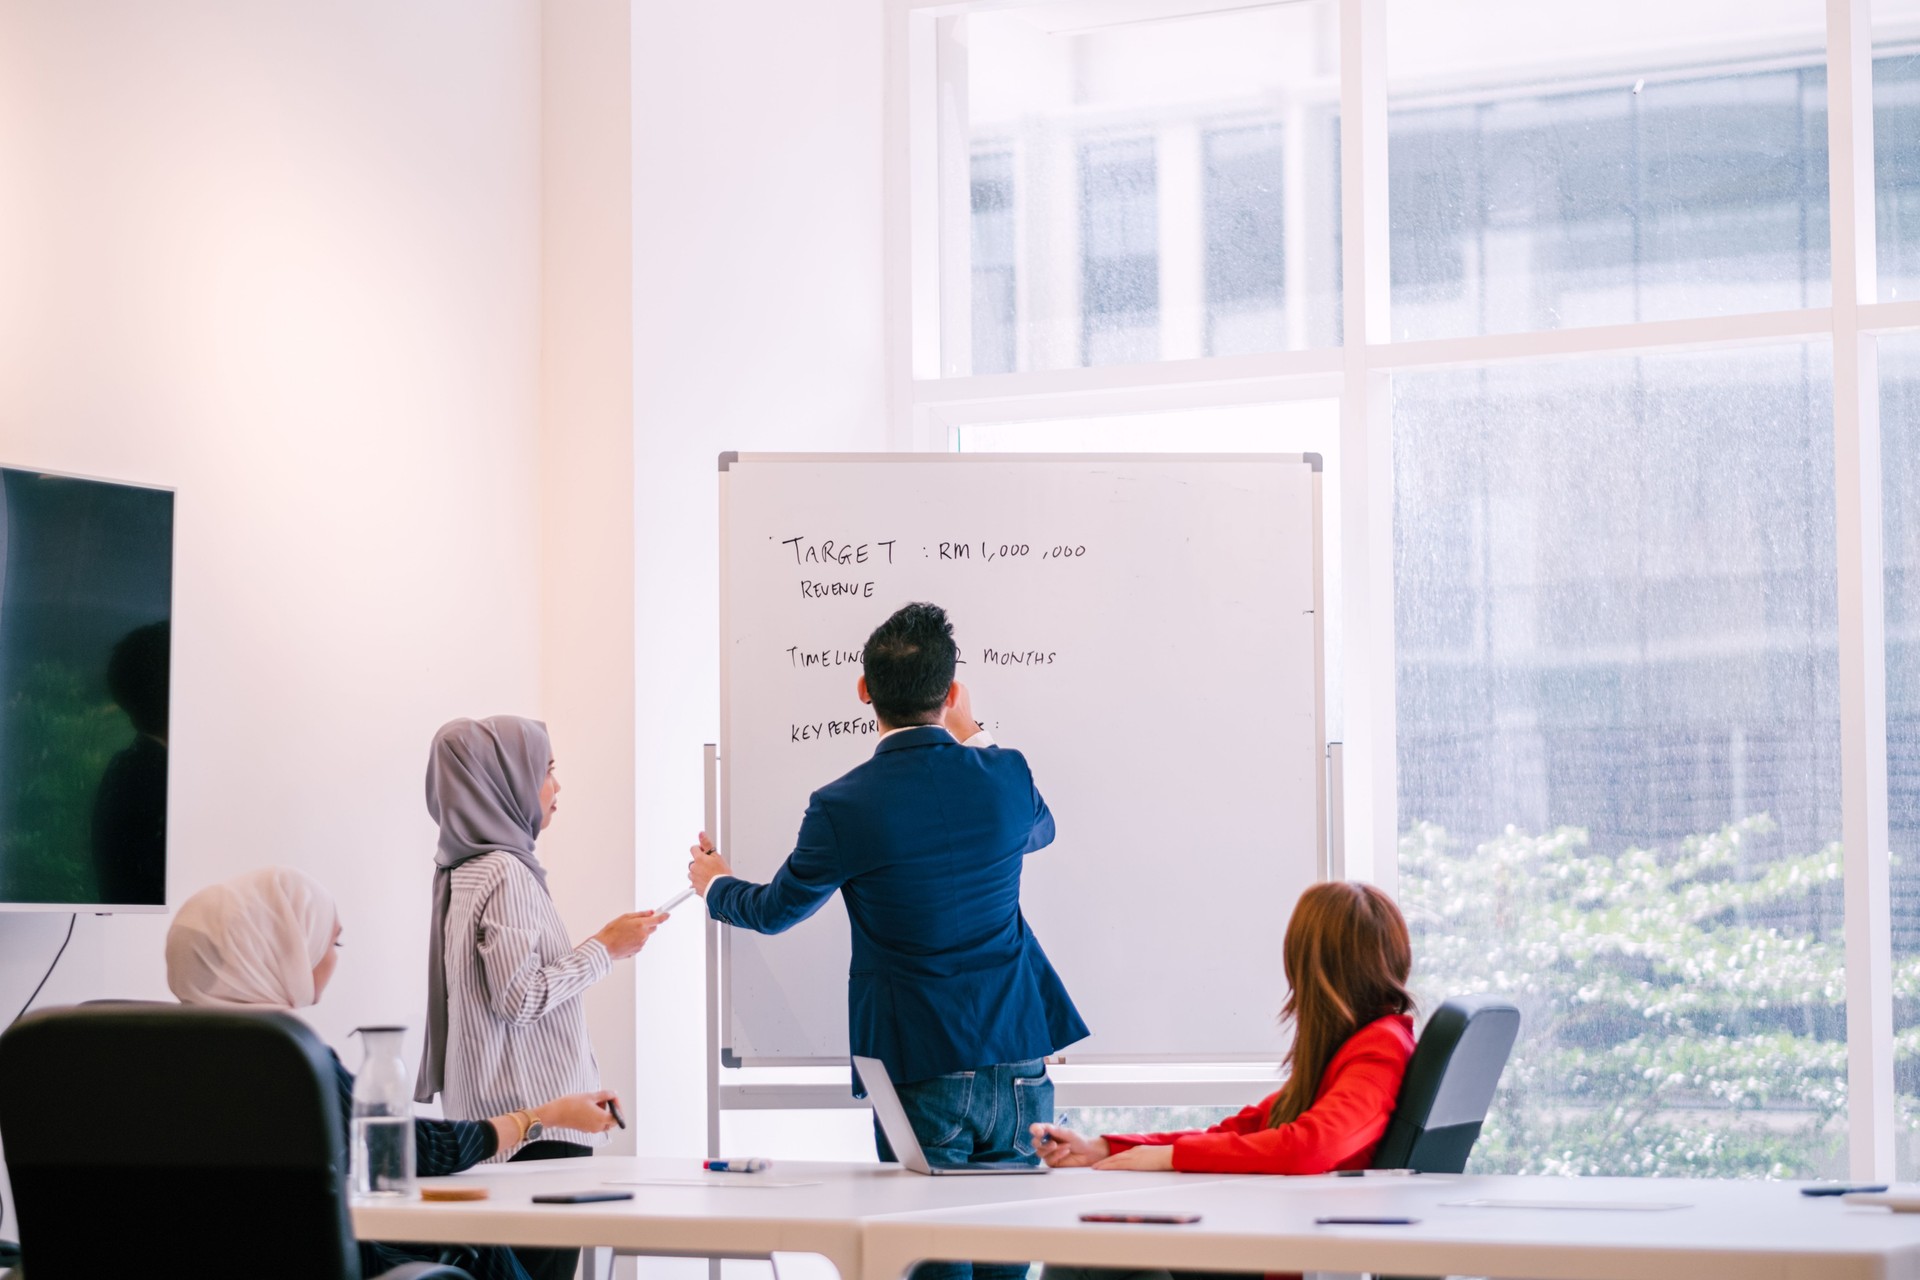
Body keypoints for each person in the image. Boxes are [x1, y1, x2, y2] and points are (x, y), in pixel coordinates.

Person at [688, 601, 1088, 1275]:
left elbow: (777, 910)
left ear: (864, 691)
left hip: (920, 1065)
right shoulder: (1005, 774)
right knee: (1006, 1260)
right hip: (1020, 1059)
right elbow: (1040, 832)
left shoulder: (844, 805)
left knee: (928, 1263)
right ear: (951, 692)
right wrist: (975, 735)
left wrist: (714, 885)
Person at [166, 867, 624, 1280]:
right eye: (332, 943)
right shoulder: (287, 1062)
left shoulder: (159, 1059)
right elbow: (411, 1150)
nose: (334, 958)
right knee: (476, 1245)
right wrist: (542, 1116)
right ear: (280, 952)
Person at [418, 715, 666, 1280]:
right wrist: (606, 947)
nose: (557, 787)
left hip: (495, 1126)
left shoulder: (463, 870)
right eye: (546, 770)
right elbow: (520, 998)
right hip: (535, 1134)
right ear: (500, 782)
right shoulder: (506, 872)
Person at [1029, 880, 1416, 1179]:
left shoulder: (1379, 1048)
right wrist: (1102, 1148)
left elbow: (1311, 1146)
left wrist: (1171, 1158)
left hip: (1297, 1250)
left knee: (1095, 1262)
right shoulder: (1348, 1049)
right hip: (1288, 1234)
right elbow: (1241, 1130)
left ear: (1309, 970)